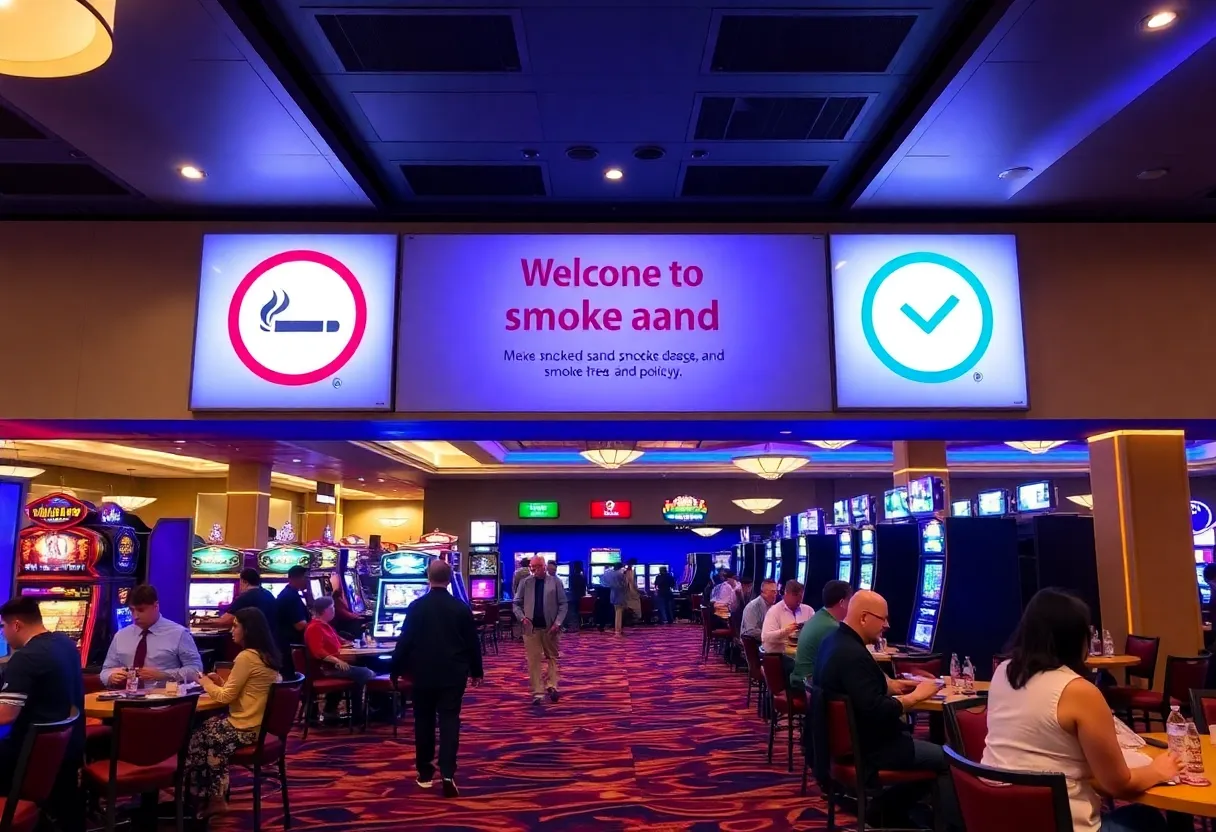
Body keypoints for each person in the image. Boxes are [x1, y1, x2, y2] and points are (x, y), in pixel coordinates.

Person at [983, 588, 1177, 832]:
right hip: (1058, 822)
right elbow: (1118, 785)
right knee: (1145, 819)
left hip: (998, 818)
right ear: (1076, 639)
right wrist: (1158, 771)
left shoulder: (1003, 672)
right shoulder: (1078, 691)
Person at [814, 590, 950, 826]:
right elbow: (876, 709)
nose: (887, 625)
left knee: (935, 752)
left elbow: (862, 690)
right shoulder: (853, 654)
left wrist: (900, 686)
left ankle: (889, 809)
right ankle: (942, 822)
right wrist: (916, 697)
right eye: (883, 618)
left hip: (851, 744)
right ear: (864, 617)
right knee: (952, 760)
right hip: (873, 749)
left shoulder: (835, 642)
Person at [391, 559, 483, 798]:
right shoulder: (460, 607)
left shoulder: (416, 606)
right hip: (453, 673)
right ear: (450, 578)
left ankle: (424, 772)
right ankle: (447, 773)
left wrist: (395, 668)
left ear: (428, 578)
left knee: (423, 722)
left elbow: (405, 640)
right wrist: (477, 671)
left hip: (422, 672)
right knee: (450, 720)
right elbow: (473, 643)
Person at [187, 608, 282, 818]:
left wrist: (202, 681)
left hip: (246, 727)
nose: (232, 630)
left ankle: (204, 796)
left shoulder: (246, 657)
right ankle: (210, 796)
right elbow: (244, 691)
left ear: (247, 629)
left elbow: (224, 698)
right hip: (259, 726)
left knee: (196, 736)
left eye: (235, 625)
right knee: (205, 731)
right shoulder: (265, 655)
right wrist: (219, 682)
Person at [0, 595, 85, 815]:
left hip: (28, 760)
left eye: (3, 627)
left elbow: (5, 715)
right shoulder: (65, 644)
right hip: (68, 751)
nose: (2, 633)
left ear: (16, 625)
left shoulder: (26, 658)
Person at [100, 584, 203, 687]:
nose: (135, 616)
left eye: (141, 610)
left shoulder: (178, 633)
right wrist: (110, 676)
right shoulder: (121, 636)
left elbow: (196, 669)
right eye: (132, 610)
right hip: (126, 697)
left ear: (156, 606)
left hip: (165, 699)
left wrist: (164, 675)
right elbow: (105, 671)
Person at [305, 596, 375, 720]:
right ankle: (363, 713)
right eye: (332, 608)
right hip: (326, 669)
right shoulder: (314, 628)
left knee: (363, 669)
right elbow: (317, 651)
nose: (334, 610)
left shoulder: (325, 626)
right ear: (325, 610)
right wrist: (337, 660)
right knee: (367, 673)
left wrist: (356, 643)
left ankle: (356, 713)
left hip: (335, 665)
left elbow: (340, 641)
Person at [513, 555, 568, 706]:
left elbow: (563, 604)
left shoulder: (555, 582)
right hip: (531, 629)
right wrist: (522, 617)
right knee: (533, 661)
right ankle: (538, 692)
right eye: (532, 567)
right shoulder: (525, 583)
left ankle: (552, 686)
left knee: (552, 657)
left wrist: (558, 623)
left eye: (537, 567)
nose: (534, 570)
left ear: (544, 567)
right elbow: (516, 603)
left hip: (551, 628)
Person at [791, 579, 852, 690]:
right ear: (842, 603)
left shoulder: (820, 616)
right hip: (808, 686)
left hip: (802, 679)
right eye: (850, 601)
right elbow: (843, 664)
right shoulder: (831, 627)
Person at [274, 565, 310, 675]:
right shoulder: (290, 597)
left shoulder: (291, 593)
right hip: (290, 645)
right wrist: (317, 623)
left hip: (288, 643)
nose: (308, 580)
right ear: (296, 579)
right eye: (306, 577)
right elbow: (299, 625)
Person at [760, 580, 812, 654]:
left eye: (801, 597)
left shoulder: (808, 611)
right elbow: (765, 637)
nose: (799, 600)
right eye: (796, 596)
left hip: (804, 654)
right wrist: (786, 631)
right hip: (780, 656)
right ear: (786, 594)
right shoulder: (774, 611)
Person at [600, 564, 628, 635]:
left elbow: (603, 583)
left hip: (613, 594)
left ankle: (617, 629)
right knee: (619, 613)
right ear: (620, 568)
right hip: (620, 595)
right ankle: (618, 629)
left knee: (617, 612)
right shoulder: (620, 575)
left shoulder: (610, 574)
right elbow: (625, 585)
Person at [566, 561, 587, 632]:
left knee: (573, 612)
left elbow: (570, 587)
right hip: (580, 596)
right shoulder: (582, 577)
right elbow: (584, 587)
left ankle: (573, 627)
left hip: (573, 596)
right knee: (577, 612)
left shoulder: (572, 576)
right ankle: (577, 626)